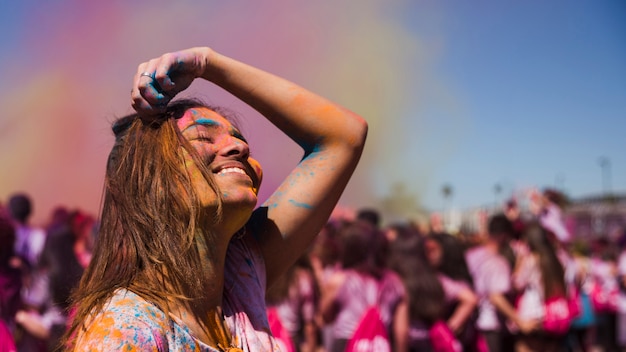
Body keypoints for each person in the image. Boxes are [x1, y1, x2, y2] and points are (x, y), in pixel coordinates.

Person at [66, 46, 368, 351]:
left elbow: (344, 137)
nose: (240, 149)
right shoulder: (125, 332)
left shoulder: (241, 278)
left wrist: (207, 63)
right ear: (151, 183)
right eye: (203, 138)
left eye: (239, 139)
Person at [319, 221, 406, 352]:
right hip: (380, 344)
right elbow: (401, 330)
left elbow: (326, 317)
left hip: (346, 342)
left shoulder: (340, 280)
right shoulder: (395, 282)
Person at [465, 213, 539, 352]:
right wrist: (519, 321)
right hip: (491, 327)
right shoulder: (499, 263)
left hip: (472, 326)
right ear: (504, 235)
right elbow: (496, 297)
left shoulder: (470, 255)